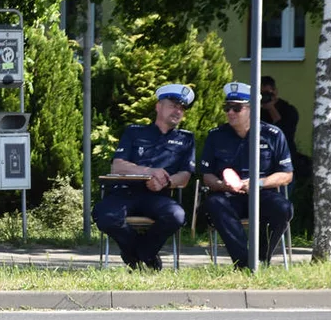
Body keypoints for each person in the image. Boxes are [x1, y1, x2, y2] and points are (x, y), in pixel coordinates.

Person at [92, 84, 196, 270]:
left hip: (158, 195)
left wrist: (167, 181)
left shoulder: (186, 139)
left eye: (181, 108)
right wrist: (149, 172)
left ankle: (140, 254)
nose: (178, 111)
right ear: (158, 107)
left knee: (176, 215)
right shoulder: (135, 132)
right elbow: (117, 166)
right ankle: (144, 255)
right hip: (125, 192)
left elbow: (185, 175)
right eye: (173, 105)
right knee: (106, 216)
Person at [200, 82, 294, 269]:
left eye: (236, 108)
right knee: (213, 203)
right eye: (227, 108)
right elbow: (207, 176)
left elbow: (286, 174)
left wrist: (257, 183)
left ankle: (261, 258)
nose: (230, 113)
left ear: (252, 109)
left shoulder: (273, 134)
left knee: (283, 208)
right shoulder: (216, 136)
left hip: (262, 192)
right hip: (228, 195)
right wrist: (223, 184)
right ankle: (243, 262)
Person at [259, 75, 299, 156]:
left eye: (267, 93)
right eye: (262, 94)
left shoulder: (288, 110)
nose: (265, 97)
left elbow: (285, 132)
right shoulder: (256, 111)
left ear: (275, 92)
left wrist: (271, 109)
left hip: (284, 152)